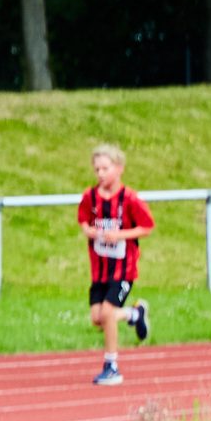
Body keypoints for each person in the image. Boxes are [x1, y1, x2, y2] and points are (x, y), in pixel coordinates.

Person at [78, 143, 155, 386]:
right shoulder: (90, 198)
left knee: (108, 314)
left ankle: (111, 365)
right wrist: (89, 230)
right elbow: (83, 221)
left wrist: (120, 235)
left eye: (105, 168)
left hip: (123, 270)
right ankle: (135, 314)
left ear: (119, 169)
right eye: (97, 169)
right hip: (99, 270)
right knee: (97, 318)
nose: (100, 174)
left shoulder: (130, 199)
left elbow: (147, 226)